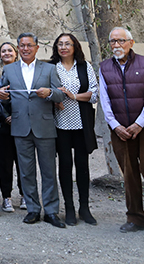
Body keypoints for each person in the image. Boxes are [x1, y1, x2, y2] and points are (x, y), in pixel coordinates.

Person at [98, 27, 144, 238]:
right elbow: (104, 100)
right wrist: (115, 125)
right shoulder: (104, 67)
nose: (116, 45)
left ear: (131, 42)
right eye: (112, 41)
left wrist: (139, 123)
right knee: (129, 175)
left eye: (121, 41)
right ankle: (134, 217)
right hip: (120, 131)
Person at [0, 33, 65, 228]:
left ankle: (52, 211)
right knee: (26, 172)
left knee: (48, 172)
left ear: (36, 48)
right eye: (22, 45)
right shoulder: (9, 69)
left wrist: (50, 93)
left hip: (44, 126)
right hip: (20, 127)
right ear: (18, 48)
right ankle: (33, 209)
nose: (25, 48)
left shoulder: (50, 68)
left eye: (29, 45)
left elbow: (60, 93)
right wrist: (2, 96)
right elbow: (4, 94)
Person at [50, 33, 98, 226]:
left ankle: (84, 208)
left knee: (82, 165)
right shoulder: (52, 67)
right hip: (60, 124)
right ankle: (69, 208)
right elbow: (45, 91)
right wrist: (54, 100)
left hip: (81, 123)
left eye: (67, 44)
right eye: (60, 44)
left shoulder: (85, 66)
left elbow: (94, 93)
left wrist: (73, 96)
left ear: (75, 46)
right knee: (65, 165)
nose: (63, 47)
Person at [0, 41, 24, 212]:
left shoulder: (22, 72)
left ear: (16, 53)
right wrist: (6, 116)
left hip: (21, 123)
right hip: (1, 125)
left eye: (9, 50)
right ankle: (6, 197)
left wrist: (16, 115)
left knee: (23, 161)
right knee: (4, 163)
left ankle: (24, 195)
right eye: (3, 51)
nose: (6, 53)